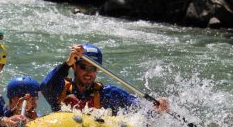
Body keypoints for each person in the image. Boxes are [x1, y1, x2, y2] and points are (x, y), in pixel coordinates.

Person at [40, 43, 170, 114]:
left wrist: (157, 108)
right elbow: (45, 86)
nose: (88, 73)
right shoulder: (60, 90)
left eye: (93, 69)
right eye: (84, 67)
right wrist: (67, 63)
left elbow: (140, 110)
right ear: (74, 67)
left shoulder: (108, 94)